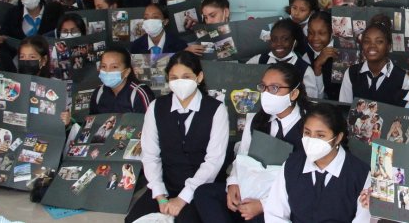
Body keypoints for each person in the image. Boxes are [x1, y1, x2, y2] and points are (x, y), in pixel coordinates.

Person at [198, 61, 308, 222]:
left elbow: (306, 181)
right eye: (263, 87)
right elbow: (242, 156)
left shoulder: (308, 126)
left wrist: (264, 204)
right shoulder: (257, 119)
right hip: (251, 186)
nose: (266, 93)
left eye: (274, 88)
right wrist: (233, 183)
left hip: (283, 198)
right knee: (204, 193)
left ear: (293, 93)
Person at [127, 51, 228, 223]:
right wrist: (160, 195)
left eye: (186, 76)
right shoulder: (156, 107)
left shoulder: (216, 109)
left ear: (199, 77)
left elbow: (213, 161)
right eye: (174, 77)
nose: (180, 82)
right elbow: (150, 155)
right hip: (167, 184)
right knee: (134, 220)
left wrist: (183, 198)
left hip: (200, 187)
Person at [263, 103, 370, 223]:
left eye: (320, 135)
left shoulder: (361, 175)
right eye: (307, 133)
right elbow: (275, 214)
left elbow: (363, 219)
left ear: (338, 138)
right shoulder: (291, 165)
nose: (311, 140)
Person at [339, 22, 405, 105]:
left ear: (389, 46)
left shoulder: (402, 78)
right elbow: (344, 108)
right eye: (367, 41)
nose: (372, 46)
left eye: (379, 41)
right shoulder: (351, 73)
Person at [90, 44, 153, 114]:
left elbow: (149, 122)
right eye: (103, 66)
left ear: (127, 72)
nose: (107, 71)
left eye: (114, 67)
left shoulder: (139, 94)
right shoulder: (98, 93)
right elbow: (92, 121)